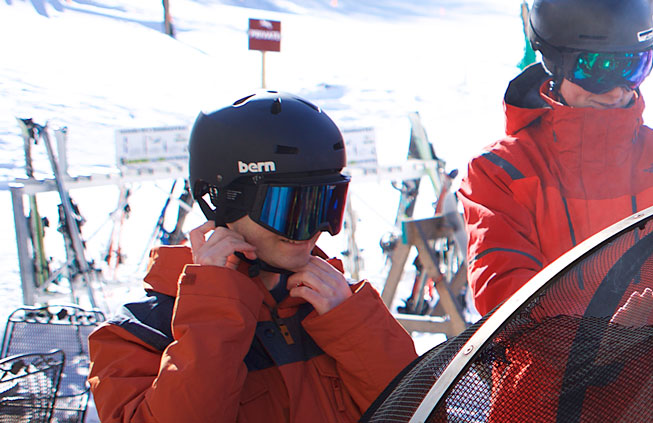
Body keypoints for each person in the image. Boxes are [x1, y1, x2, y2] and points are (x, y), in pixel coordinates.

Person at [88, 91, 418, 422]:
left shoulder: (335, 306)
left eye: (325, 207)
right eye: (285, 210)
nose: (307, 232)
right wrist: (213, 310)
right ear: (223, 200)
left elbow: (421, 412)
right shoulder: (141, 332)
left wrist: (354, 325)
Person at [460, 0, 653, 314]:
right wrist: (594, 340)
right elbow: (505, 292)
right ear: (555, 63)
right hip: (553, 363)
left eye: (633, 68)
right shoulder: (502, 173)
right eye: (597, 70)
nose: (616, 92)